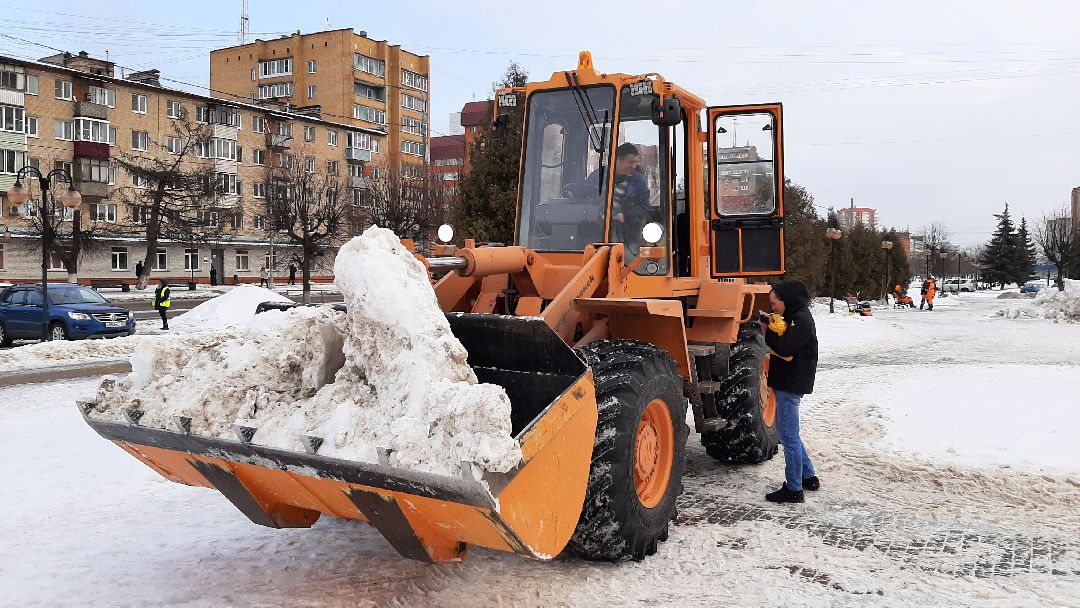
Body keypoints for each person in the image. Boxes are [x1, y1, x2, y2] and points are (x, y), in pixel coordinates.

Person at [759, 280, 819, 504]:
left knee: (788, 437)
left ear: (787, 300)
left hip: (790, 384)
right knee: (791, 434)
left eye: (775, 303)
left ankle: (794, 489)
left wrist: (767, 332)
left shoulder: (800, 320)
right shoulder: (796, 317)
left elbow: (784, 348)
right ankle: (808, 476)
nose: (773, 307)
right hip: (789, 382)